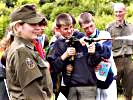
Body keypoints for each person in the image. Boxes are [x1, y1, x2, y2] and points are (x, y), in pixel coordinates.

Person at [47, 13, 111, 100]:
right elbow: (54, 68)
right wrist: (65, 55)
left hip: (88, 86)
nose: (69, 31)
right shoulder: (57, 45)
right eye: (66, 29)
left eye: (71, 27)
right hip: (70, 88)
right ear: (58, 29)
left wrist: (93, 51)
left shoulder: (82, 38)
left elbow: (94, 61)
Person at [6, 4, 53, 100]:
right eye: (32, 24)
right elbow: (34, 95)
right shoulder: (22, 51)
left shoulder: (24, 47)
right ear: (18, 26)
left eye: (38, 23)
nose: (37, 27)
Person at [78, 12, 117, 100]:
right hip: (93, 80)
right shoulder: (82, 40)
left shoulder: (104, 35)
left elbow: (107, 53)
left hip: (109, 77)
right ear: (81, 27)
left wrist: (96, 46)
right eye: (86, 28)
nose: (90, 30)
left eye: (91, 26)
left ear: (94, 22)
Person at [106, 2, 133, 100]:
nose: (118, 14)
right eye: (116, 12)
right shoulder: (109, 28)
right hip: (114, 61)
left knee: (129, 90)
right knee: (111, 89)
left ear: (125, 12)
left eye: (120, 11)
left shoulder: (131, 27)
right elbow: (106, 45)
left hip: (128, 61)